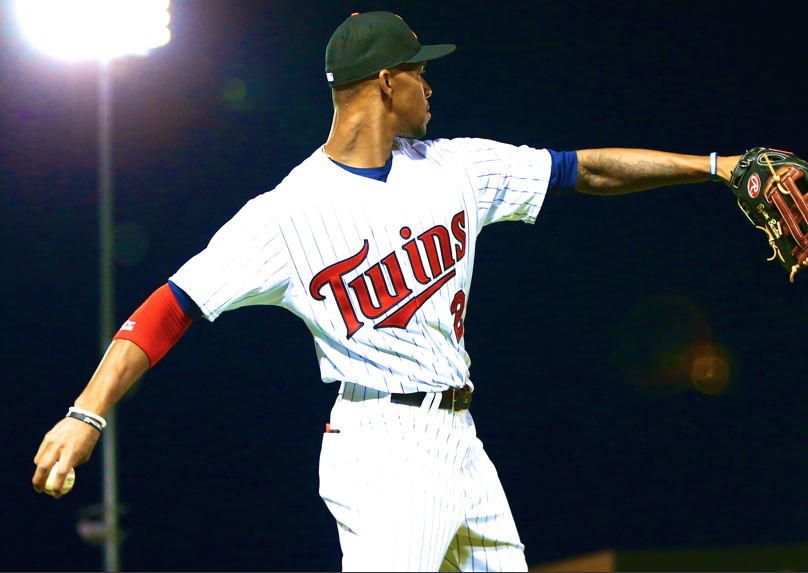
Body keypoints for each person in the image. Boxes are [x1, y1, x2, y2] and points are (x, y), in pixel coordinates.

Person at [33, 11, 741, 572]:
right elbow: (168, 309)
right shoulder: (287, 213)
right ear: (383, 82)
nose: (429, 86)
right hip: (382, 447)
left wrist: (717, 166)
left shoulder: (457, 166)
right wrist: (85, 414)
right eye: (418, 72)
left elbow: (586, 170)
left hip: (462, 438)